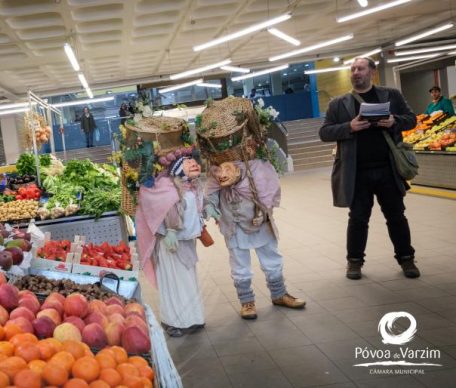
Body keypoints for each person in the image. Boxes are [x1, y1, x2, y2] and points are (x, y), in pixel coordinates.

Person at [318, 57, 419, 280]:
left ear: (371, 71)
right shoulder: (339, 103)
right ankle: (354, 262)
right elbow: (324, 132)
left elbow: (412, 120)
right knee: (358, 219)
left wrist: (394, 121)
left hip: (387, 169)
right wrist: (349, 127)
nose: (355, 72)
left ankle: (406, 259)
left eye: (360, 68)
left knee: (396, 216)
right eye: (353, 69)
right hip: (356, 172)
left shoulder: (391, 95)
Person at [206, 160, 306, 319]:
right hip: (234, 228)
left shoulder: (256, 171)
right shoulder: (215, 177)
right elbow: (210, 195)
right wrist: (210, 206)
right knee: (239, 265)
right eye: (219, 170)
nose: (222, 174)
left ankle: (279, 294)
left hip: (260, 227)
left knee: (271, 259)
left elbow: (267, 193)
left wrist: (263, 213)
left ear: (238, 169)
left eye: (227, 169)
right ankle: (247, 302)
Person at [136, 155, 205, 336]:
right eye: (187, 162)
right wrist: (171, 230)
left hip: (186, 243)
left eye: (194, 161)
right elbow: (163, 208)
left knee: (188, 280)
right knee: (173, 282)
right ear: (177, 168)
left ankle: (193, 318)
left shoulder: (192, 187)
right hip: (170, 246)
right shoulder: (167, 187)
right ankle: (174, 322)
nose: (193, 163)